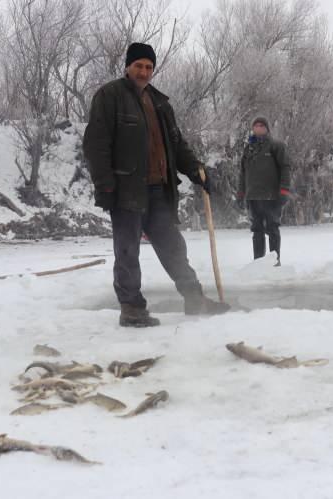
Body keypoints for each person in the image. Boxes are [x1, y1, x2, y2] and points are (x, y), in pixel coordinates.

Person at [83, 42, 230, 327]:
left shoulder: (160, 103)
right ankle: (132, 309)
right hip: (126, 190)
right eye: (138, 65)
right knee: (127, 251)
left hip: (159, 190)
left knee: (174, 247)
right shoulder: (110, 96)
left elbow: (176, 144)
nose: (144, 71)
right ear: (128, 66)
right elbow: (96, 144)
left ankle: (195, 299)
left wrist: (196, 170)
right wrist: (105, 185)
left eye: (149, 67)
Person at [236, 117, 291, 265]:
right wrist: (241, 193)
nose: (259, 128)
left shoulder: (276, 146)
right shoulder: (249, 148)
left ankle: (275, 262)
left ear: (267, 128)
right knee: (257, 230)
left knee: (273, 229)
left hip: (272, 196)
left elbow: (285, 168)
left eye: (262, 125)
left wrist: (284, 190)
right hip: (253, 196)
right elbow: (243, 172)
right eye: (256, 125)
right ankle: (258, 263)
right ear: (252, 128)